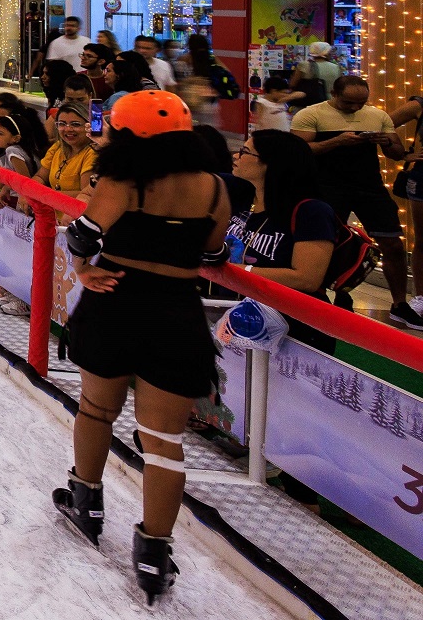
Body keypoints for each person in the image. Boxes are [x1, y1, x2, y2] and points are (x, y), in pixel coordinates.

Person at [53, 91, 232, 604]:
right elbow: (214, 253)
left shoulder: (121, 181)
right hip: (176, 311)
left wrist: (84, 270)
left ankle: (85, 502)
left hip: (115, 300)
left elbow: (83, 236)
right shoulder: (215, 188)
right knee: (164, 440)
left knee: (96, 409)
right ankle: (154, 553)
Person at [292, 75, 416, 327]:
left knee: (392, 243)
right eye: (348, 102)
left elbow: (396, 153)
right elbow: (298, 150)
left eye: (361, 102)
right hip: (327, 186)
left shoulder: (377, 115)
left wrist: (386, 141)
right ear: (334, 95)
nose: (355, 107)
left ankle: (399, 304)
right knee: (327, 244)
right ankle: (324, 294)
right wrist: (337, 141)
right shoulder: (310, 114)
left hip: (369, 187)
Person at [227, 130, 339, 348]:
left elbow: (307, 278)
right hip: (245, 319)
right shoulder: (243, 199)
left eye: (244, 152)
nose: (235, 156)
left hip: (294, 329)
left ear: (271, 164)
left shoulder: (312, 211)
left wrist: (238, 271)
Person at [36, 104, 98, 197]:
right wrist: (29, 192)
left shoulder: (93, 152)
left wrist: (46, 195)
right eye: (62, 124)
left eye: (75, 124)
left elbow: (86, 195)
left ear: (89, 126)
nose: (68, 129)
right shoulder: (57, 146)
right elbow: (40, 177)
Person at [101, 50, 158, 121]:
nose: (104, 74)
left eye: (108, 71)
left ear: (120, 74)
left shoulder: (118, 96)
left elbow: (113, 120)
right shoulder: (123, 93)